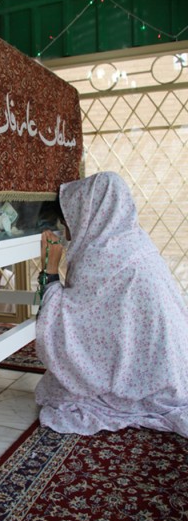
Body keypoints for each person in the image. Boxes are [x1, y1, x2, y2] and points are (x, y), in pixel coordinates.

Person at [35, 171, 188, 438]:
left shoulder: (99, 257)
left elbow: (69, 326)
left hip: (150, 382)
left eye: (69, 217)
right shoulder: (136, 243)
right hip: (174, 373)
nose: (67, 228)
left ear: (89, 210)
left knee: (59, 395)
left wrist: (49, 271)